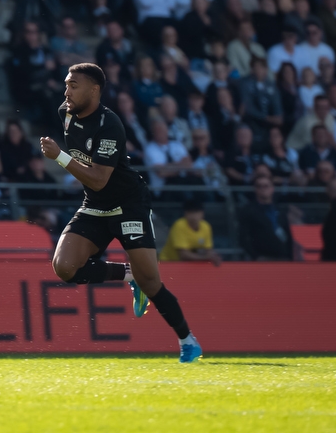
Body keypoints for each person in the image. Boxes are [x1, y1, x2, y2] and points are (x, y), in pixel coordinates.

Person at [39, 63, 201, 362]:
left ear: (94, 89)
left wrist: (59, 157)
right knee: (64, 267)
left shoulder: (110, 124)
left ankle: (188, 341)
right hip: (95, 205)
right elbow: (95, 183)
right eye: (66, 84)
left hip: (128, 205)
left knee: (152, 281)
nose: (67, 91)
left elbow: (99, 177)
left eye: (74, 85)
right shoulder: (66, 113)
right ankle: (128, 275)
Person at [238, 173, 296, 261]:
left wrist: (290, 257)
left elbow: (288, 236)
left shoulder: (280, 211)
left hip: (283, 259)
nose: (263, 189)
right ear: (255, 189)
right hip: (262, 259)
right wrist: (256, 256)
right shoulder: (248, 211)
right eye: (259, 186)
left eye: (266, 186)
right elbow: (243, 238)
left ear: (272, 188)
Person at [160, 199, 222, 264]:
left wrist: (213, 256)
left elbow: (208, 249)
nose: (194, 216)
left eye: (197, 212)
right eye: (191, 212)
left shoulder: (206, 226)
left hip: (191, 263)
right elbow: (183, 255)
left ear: (202, 213)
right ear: (185, 213)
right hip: (169, 262)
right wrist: (206, 257)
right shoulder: (179, 225)